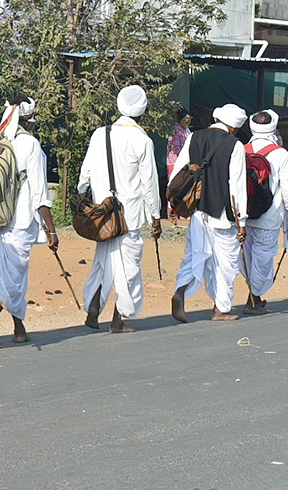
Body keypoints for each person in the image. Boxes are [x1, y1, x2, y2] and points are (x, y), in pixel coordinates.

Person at [0, 97, 57, 348]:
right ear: (28, 121)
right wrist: (51, 230)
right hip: (17, 221)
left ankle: (19, 328)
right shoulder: (30, 144)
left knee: (5, 276)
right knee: (13, 279)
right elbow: (41, 193)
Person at [79, 85, 161, 333]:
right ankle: (118, 320)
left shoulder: (99, 134)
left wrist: (84, 198)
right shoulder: (142, 140)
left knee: (103, 263)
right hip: (130, 216)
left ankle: (94, 310)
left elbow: (86, 172)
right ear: (142, 110)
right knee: (128, 268)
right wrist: (156, 216)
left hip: (102, 215)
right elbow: (149, 182)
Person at [170, 103, 249, 323]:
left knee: (195, 254)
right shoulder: (235, 145)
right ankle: (220, 309)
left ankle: (180, 291)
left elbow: (179, 171)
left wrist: (172, 202)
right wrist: (241, 220)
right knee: (226, 262)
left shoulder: (194, 137)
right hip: (222, 213)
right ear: (234, 127)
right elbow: (237, 186)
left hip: (197, 210)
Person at [241, 110, 288, 315]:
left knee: (247, 257)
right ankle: (254, 298)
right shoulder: (280, 153)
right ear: (274, 127)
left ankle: (253, 295)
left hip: (245, 214)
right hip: (269, 215)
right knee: (263, 258)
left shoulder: (242, 149)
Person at [166, 109, 192, 178]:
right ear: (181, 119)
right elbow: (175, 148)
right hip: (174, 163)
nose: (188, 122)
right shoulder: (176, 131)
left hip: (184, 163)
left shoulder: (186, 130)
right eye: (186, 119)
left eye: (189, 119)